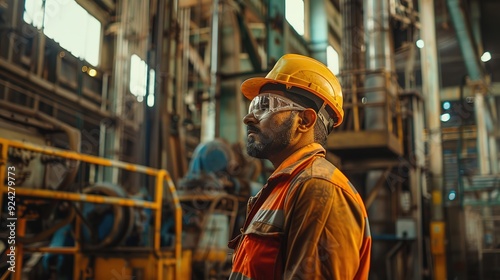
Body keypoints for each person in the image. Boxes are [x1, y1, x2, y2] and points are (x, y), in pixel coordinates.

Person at [228, 54, 371, 279]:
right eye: (253, 105)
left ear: (304, 121)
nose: (249, 117)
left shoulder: (319, 188)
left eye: (264, 106)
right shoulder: (282, 188)